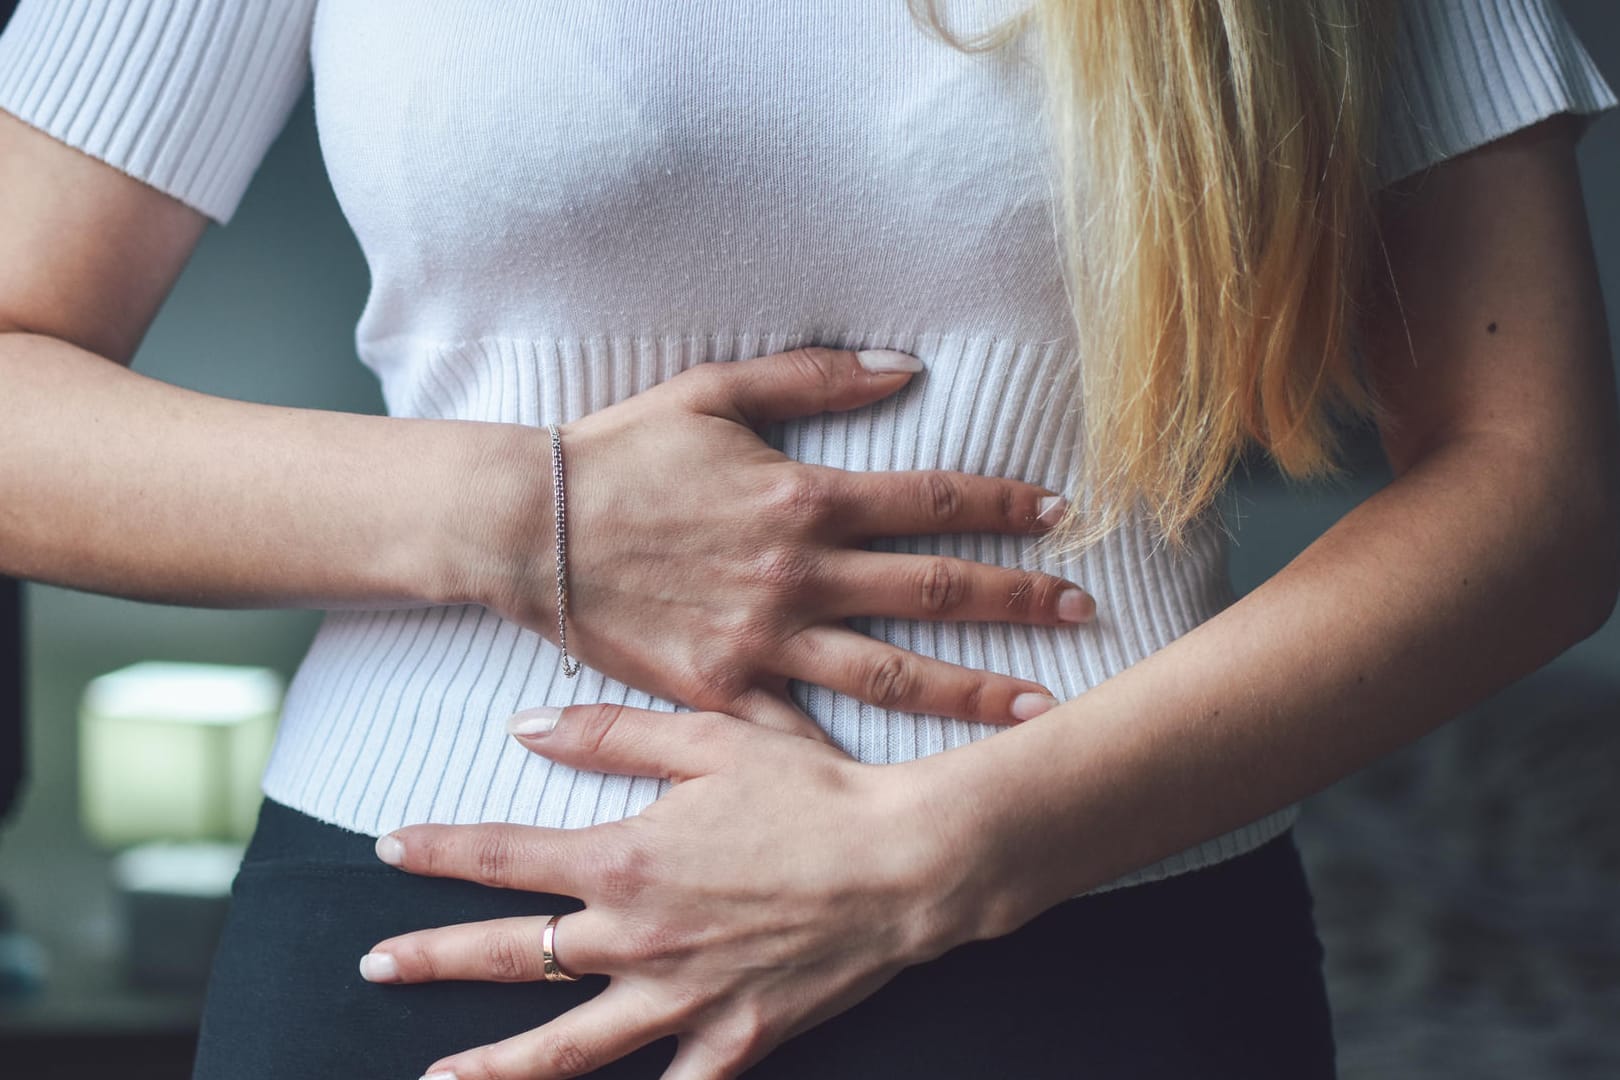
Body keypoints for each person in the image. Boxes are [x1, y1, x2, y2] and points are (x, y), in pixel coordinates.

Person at [1, 0, 1616, 1077]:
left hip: (1104, 933)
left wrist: (940, 849)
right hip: (443, 949)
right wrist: (525, 517)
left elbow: (1537, 482)